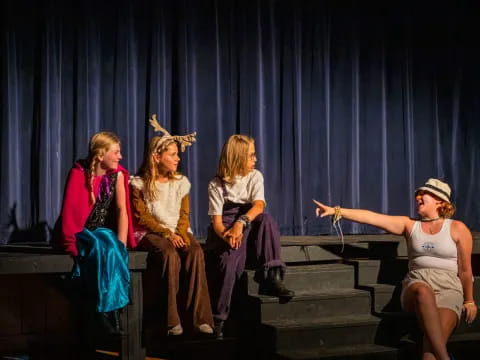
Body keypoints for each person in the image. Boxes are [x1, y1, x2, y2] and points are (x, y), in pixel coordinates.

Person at [313, 178, 477, 360]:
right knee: (423, 291)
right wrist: (337, 211)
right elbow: (372, 217)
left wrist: (469, 300)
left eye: (424, 194)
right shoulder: (410, 225)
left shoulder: (457, 228)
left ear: (439, 201)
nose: (418, 197)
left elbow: (465, 270)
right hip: (417, 283)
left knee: (429, 351)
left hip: (448, 288)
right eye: (418, 195)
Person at [130, 114, 213, 336]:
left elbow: (184, 214)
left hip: (176, 229)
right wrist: (167, 234)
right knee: (168, 253)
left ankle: (200, 319)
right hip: (151, 232)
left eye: (177, 155)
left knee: (195, 251)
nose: (178, 159)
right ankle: (170, 320)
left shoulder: (181, 183)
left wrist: (179, 233)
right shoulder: (138, 184)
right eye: (173, 155)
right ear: (157, 157)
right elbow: (142, 217)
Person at [206, 134, 295, 339]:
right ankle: (219, 318)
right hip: (226, 227)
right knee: (228, 261)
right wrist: (228, 235)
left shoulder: (255, 176)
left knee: (267, 220)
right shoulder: (216, 184)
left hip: (248, 221)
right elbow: (217, 223)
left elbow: (258, 205)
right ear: (237, 158)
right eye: (251, 156)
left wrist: (241, 222)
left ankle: (272, 276)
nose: (255, 160)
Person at [54, 131, 136, 335]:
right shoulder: (79, 173)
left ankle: (113, 311)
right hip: (81, 232)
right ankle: (101, 312)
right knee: (101, 246)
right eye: (116, 152)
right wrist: (71, 245)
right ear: (101, 155)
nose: (120, 157)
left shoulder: (117, 175)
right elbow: (70, 213)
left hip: (100, 230)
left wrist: (122, 244)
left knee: (111, 245)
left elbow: (121, 210)